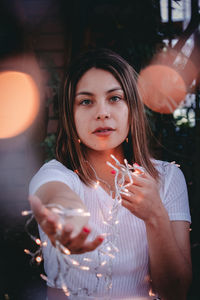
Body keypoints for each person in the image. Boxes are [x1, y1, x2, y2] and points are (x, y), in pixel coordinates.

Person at [29, 48, 192, 300]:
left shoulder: (168, 177)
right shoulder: (56, 174)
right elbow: (54, 194)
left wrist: (155, 215)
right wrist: (68, 222)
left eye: (114, 98)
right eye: (86, 101)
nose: (102, 112)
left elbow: (176, 292)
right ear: (70, 116)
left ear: (132, 108)